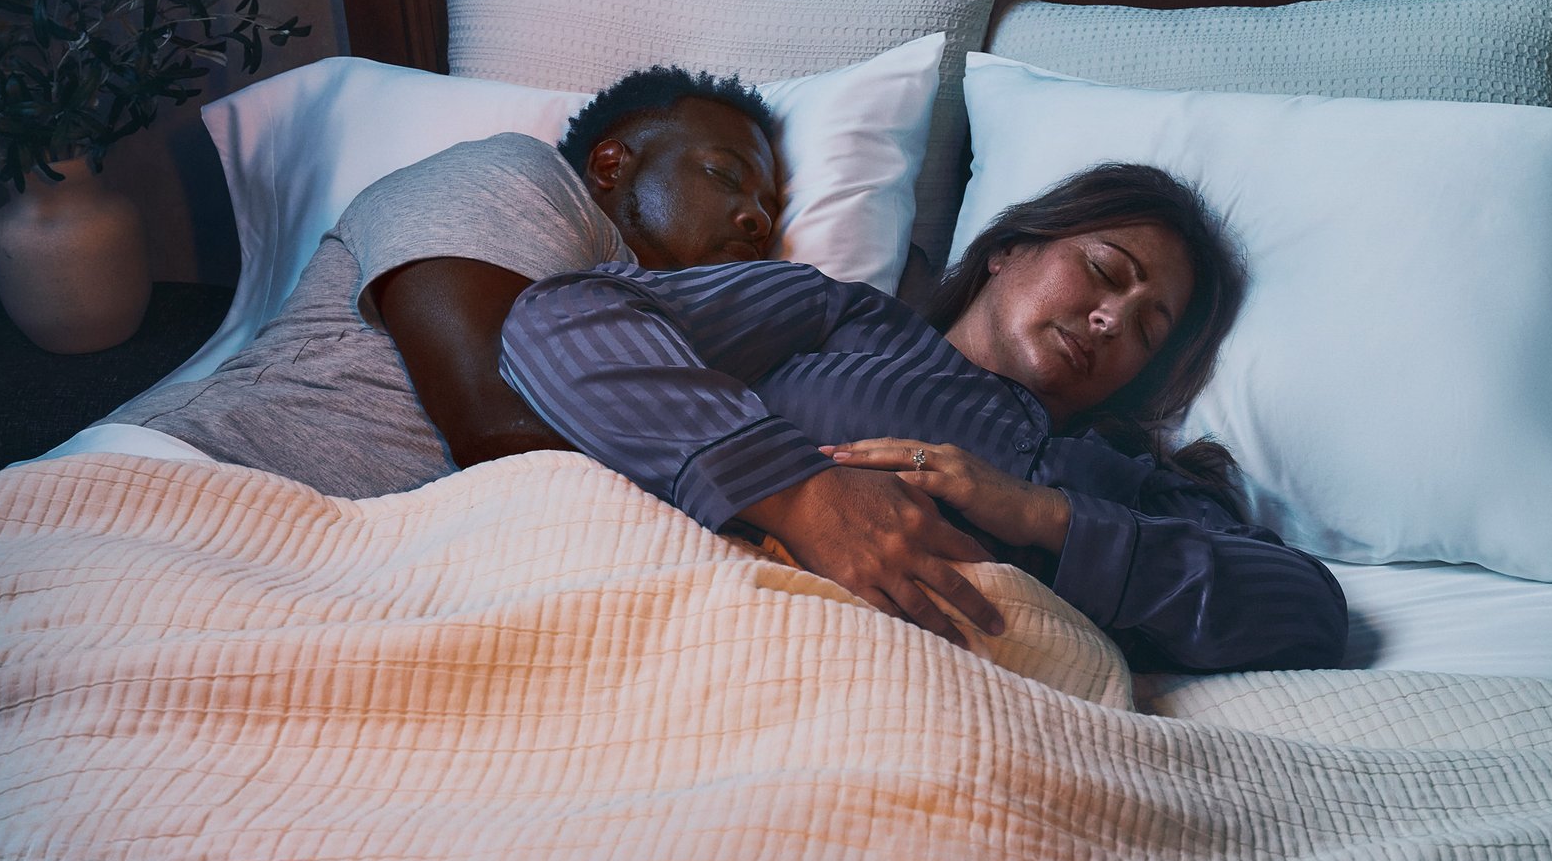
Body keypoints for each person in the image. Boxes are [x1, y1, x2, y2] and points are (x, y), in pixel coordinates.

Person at [499, 163, 1347, 674]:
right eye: (1101, 270)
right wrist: (799, 490)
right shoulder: (839, 318)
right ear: (1009, 249)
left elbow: (1309, 615)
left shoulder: (1126, 482)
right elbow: (560, 325)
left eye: (1147, 328)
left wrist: (1043, 516)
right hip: (693, 640)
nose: (1111, 320)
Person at [112, 67, 784, 498]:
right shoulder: (522, 176)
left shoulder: (684, 323)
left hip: (376, 560)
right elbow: (492, 426)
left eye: (771, 208)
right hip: (197, 478)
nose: (756, 216)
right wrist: (780, 491)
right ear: (611, 163)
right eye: (725, 176)